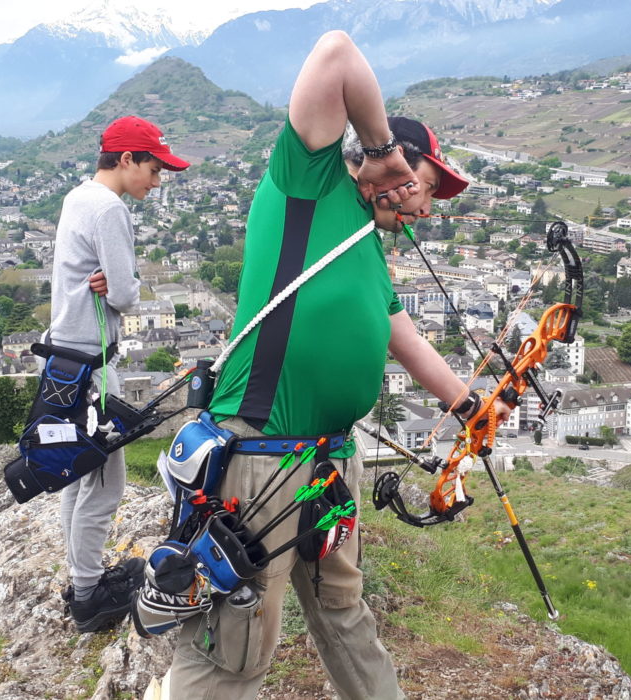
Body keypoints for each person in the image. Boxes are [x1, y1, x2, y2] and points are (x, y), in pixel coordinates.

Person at [167, 30, 510, 699]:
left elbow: (401, 338)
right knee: (234, 647)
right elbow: (334, 53)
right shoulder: (307, 184)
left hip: (328, 465)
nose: (423, 207)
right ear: (397, 170)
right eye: (425, 187)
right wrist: (382, 151)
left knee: (345, 613)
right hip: (258, 457)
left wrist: (470, 407)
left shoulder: (369, 252)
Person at [52, 115, 190, 632]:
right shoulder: (110, 209)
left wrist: (110, 282)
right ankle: (89, 597)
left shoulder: (77, 197)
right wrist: (118, 285)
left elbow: (112, 283)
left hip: (65, 355)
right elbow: (129, 295)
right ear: (127, 158)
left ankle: (80, 578)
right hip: (94, 362)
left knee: (75, 473)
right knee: (104, 485)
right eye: (154, 169)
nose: (157, 182)